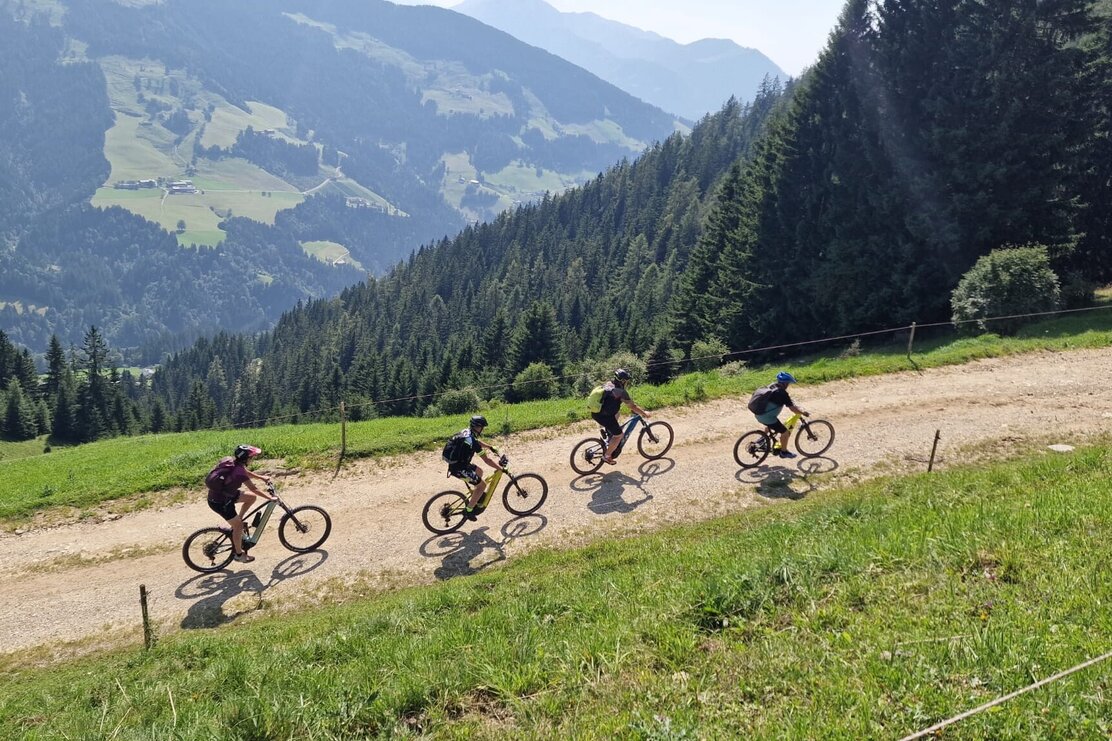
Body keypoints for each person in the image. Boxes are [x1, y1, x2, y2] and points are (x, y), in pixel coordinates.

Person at [205, 444, 275, 563]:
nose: (252, 459)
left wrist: (261, 478)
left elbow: (244, 472)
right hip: (221, 503)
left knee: (251, 498)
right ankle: (239, 554)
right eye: (251, 457)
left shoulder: (231, 462)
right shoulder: (239, 472)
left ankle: (238, 521)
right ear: (246, 458)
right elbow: (254, 488)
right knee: (238, 527)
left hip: (222, 495)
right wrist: (270, 498)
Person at [447, 415, 503, 520]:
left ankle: (476, 496)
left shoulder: (467, 433)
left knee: (479, 472)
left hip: (459, 464)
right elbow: (487, 460)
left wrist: (490, 447)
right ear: (477, 427)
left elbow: (477, 442)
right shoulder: (472, 441)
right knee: (482, 485)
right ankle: (468, 511)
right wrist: (500, 468)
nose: (482, 429)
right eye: (482, 427)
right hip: (458, 468)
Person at [592, 368, 650, 465]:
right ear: (623, 381)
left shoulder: (608, 384)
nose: (627, 383)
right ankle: (607, 456)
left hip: (596, 413)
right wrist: (644, 413)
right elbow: (632, 406)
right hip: (605, 417)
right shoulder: (621, 392)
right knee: (619, 435)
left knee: (617, 413)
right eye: (626, 381)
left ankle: (608, 432)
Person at [753, 371, 809, 459]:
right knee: (785, 432)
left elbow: (786, 400)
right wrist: (803, 413)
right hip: (767, 417)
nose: (788, 385)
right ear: (785, 383)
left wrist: (791, 402)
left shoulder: (772, 386)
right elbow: (793, 409)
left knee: (771, 426)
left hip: (759, 414)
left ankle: (761, 440)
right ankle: (784, 452)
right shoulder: (782, 393)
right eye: (788, 383)